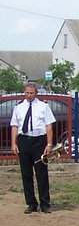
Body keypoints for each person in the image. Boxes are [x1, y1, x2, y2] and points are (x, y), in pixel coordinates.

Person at [10, 82, 55, 214]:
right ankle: (31, 203)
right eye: (27, 93)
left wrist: (49, 144)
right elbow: (14, 126)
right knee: (26, 173)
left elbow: (49, 126)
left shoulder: (43, 106)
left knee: (41, 173)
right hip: (24, 140)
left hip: (39, 141)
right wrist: (14, 143)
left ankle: (45, 203)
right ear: (24, 92)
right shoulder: (18, 107)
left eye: (31, 93)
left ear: (36, 93)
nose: (29, 95)